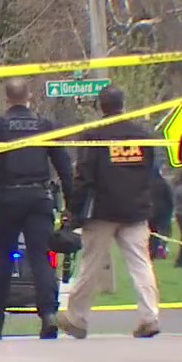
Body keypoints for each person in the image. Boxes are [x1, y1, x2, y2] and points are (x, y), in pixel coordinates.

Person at [0, 78, 75, 340]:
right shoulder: (44, 125)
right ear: (29, 97)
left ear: (7, 99)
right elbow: (64, 166)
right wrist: (72, 205)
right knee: (40, 257)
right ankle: (49, 314)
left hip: (7, 200)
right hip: (39, 199)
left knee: (4, 258)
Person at [62, 85, 161, 340]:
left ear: (100, 107)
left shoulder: (94, 136)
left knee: (91, 265)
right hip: (136, 209)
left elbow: (84, 176)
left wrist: (73, 210)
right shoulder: (141, 135)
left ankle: (77, 318)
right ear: (123, 104)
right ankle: (149, 317)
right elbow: (152, 172)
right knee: (141, 264)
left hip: (102, 211)